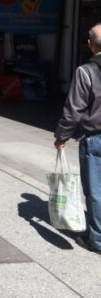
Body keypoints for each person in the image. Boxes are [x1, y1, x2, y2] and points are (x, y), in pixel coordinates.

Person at [55, 24, 101, 252]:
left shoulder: (86, 72)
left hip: (94, 138)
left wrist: (61, 136)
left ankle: (98, 239)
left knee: (95, 190)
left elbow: (74, 110)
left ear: (90, 45)